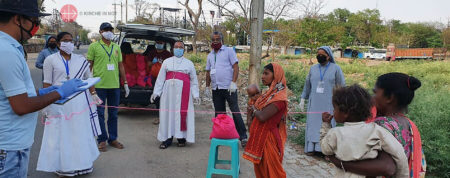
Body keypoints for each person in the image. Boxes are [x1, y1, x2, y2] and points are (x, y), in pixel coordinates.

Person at [0, 1, 87, 177]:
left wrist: (44, 92)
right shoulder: (6, 51)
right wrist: (59, 92)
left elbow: (14, 94)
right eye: (34, 21)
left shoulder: (9, 48)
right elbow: (21, 106)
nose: (36, 27)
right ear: (18, 19)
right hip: (10, 147)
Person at [327, 73, 426, 178]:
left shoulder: (382, 125)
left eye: (375, 93)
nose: (372, 98)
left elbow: (388, 167)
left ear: (389, 98)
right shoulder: (409, 124)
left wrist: (341, 163)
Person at [37, 32, 102, 177]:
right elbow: (47, 83)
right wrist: (45, 105)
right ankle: (64, 167)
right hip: (59, 101)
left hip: (80, 103)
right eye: (65, 40)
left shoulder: (81, 59)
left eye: (71, 40)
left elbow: (88, 78)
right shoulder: (50, 60)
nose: (69, 43)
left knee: (80, 132)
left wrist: (94, 94)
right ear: (59, 43)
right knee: (63, 134)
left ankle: (83, 165)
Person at [320, 84, 409, 178]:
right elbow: (399, 153)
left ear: (345, 113)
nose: (333, 112)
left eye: (335, 109)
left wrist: (326, 125)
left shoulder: (336, 133)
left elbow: (325, 148)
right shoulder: (378, 131)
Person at [87, 22, 129, 152]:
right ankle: (102, 140)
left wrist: (125, 82)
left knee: (113, 114)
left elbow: (120, 65)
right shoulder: (94, 46)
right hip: (99, 87)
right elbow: (89, 67)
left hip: (114, 86)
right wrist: (90, 86)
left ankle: (113, 139)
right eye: (106, 30)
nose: (109, 31)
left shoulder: (116, 47)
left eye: (111, 29)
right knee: (99, 114)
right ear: (100, 32)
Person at [150, 41, 199, 149]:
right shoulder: (167, 62)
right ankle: (167, 138)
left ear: (184, 49)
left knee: (181, 114)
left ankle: (181, 138)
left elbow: (194, 80)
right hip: (169, 94)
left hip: (184, 92)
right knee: (168, 114)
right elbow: (160, 78)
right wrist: (156, 92)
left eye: (180, 47)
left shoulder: (189, 63)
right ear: (172, 49)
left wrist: (195, 94)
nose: (178, 49)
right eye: (176, 47)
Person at [299, 46, 345, 155]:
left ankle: (326, 151)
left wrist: (341, 102)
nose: (319, 56)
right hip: (314, 103)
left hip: (329, 103)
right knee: (313, 125)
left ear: (328, 56)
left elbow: (341, 85)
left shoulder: (336, 68)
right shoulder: (313, 69)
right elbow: (307, 85)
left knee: (326, 124)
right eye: (318, 54)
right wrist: (302, 98)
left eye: (322, 54)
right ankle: (312, 148)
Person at [244, 63, 288, 178]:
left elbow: (262, 117)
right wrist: (251, 114)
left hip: (269, 139)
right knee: (262, 172)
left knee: (273, 172)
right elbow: (253, 118)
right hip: (260, 138)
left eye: (266, 73)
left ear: (276, 76)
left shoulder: (279, 98)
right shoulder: (267, 96)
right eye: (263, 73)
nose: (262, 76)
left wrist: (253, 109)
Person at [205, 31, 248, 147]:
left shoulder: (229, 51)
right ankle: (221, 134)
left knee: (235, 111)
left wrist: (233, 83)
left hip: (229, 88)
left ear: (222, 40)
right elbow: (208, 72)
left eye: (217, 39)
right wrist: (207, 87)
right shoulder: (209, 55)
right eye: (213, 39)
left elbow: (235, 67)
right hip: (216, 88)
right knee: (219, 114)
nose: (215, 41)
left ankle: (243, 137)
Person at [146, 40, 173, 125]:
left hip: (166, 79)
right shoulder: (152, 53)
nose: (159, 44)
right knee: (157, 97)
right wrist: (153, 62)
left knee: (166, 97)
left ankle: (166, 116)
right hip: (155, 78)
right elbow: (148, 64)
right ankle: (158, 116)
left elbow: (171, 65)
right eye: (158, 43)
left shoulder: (168, 54)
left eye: (161, 43)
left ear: (164, 44)